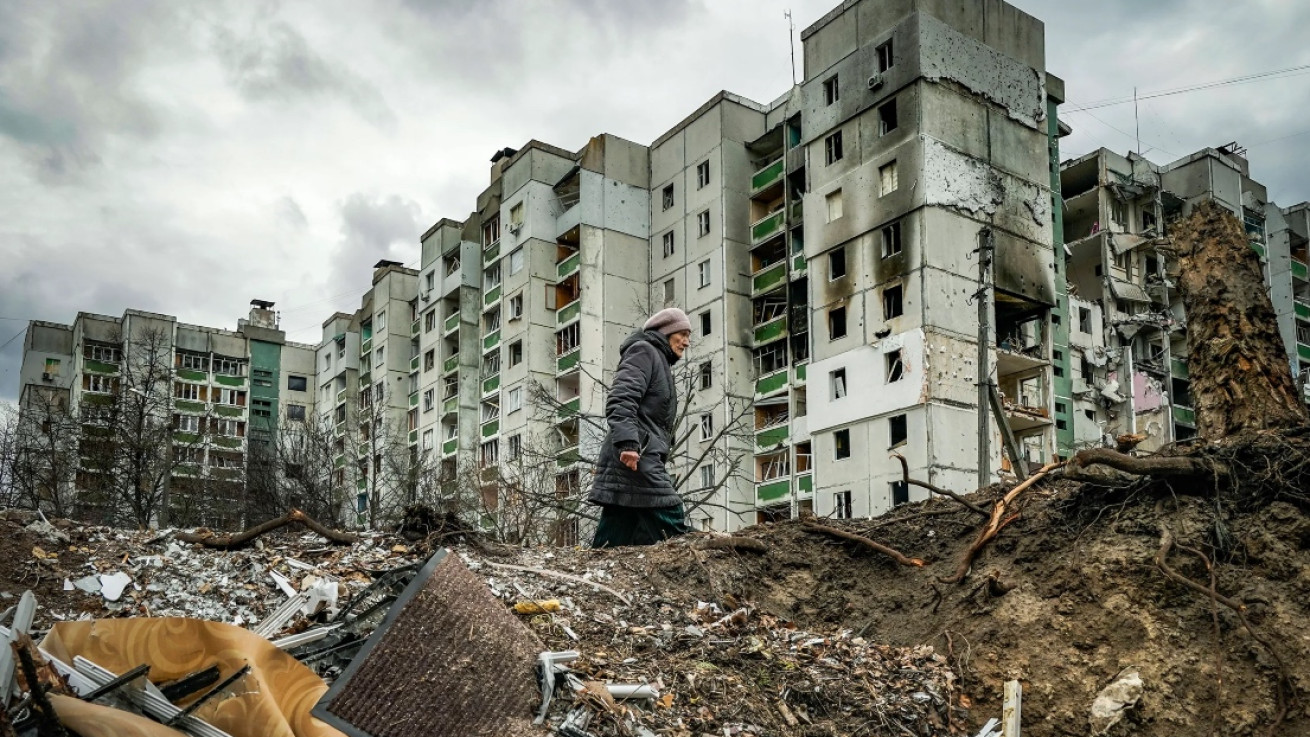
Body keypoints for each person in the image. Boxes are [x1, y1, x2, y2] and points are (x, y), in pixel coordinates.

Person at [587, 308, 693, 547]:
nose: (686, 342)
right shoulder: (644, 352)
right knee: (670, 512)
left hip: (638, 455)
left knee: (617, 532)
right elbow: (621, 398)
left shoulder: (659, 361)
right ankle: (705, 556)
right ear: (666, 332)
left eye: (689, 336)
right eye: (682, 334)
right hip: (635, 457)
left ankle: (593, 572)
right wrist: (628, 443)